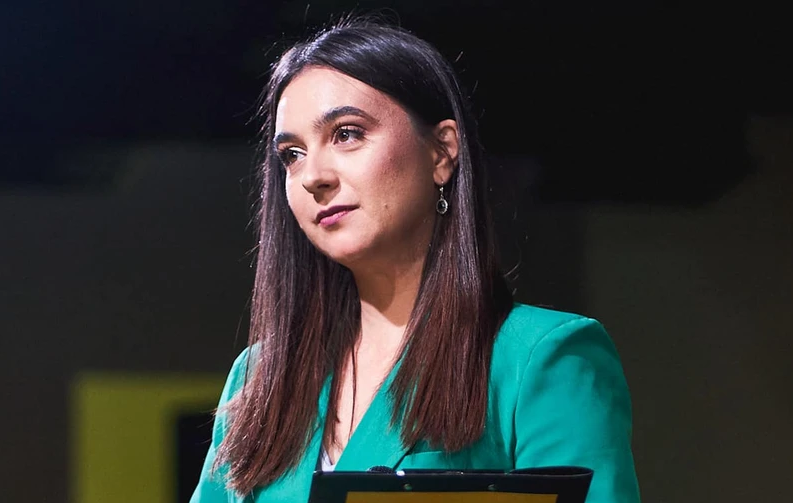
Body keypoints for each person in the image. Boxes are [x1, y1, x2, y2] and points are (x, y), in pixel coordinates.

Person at [191, 16, 640, 503]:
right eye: (292, 154)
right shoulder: (259, 376)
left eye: (347, 133)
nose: (313, 175)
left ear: (441, 152)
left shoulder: (541, 358)